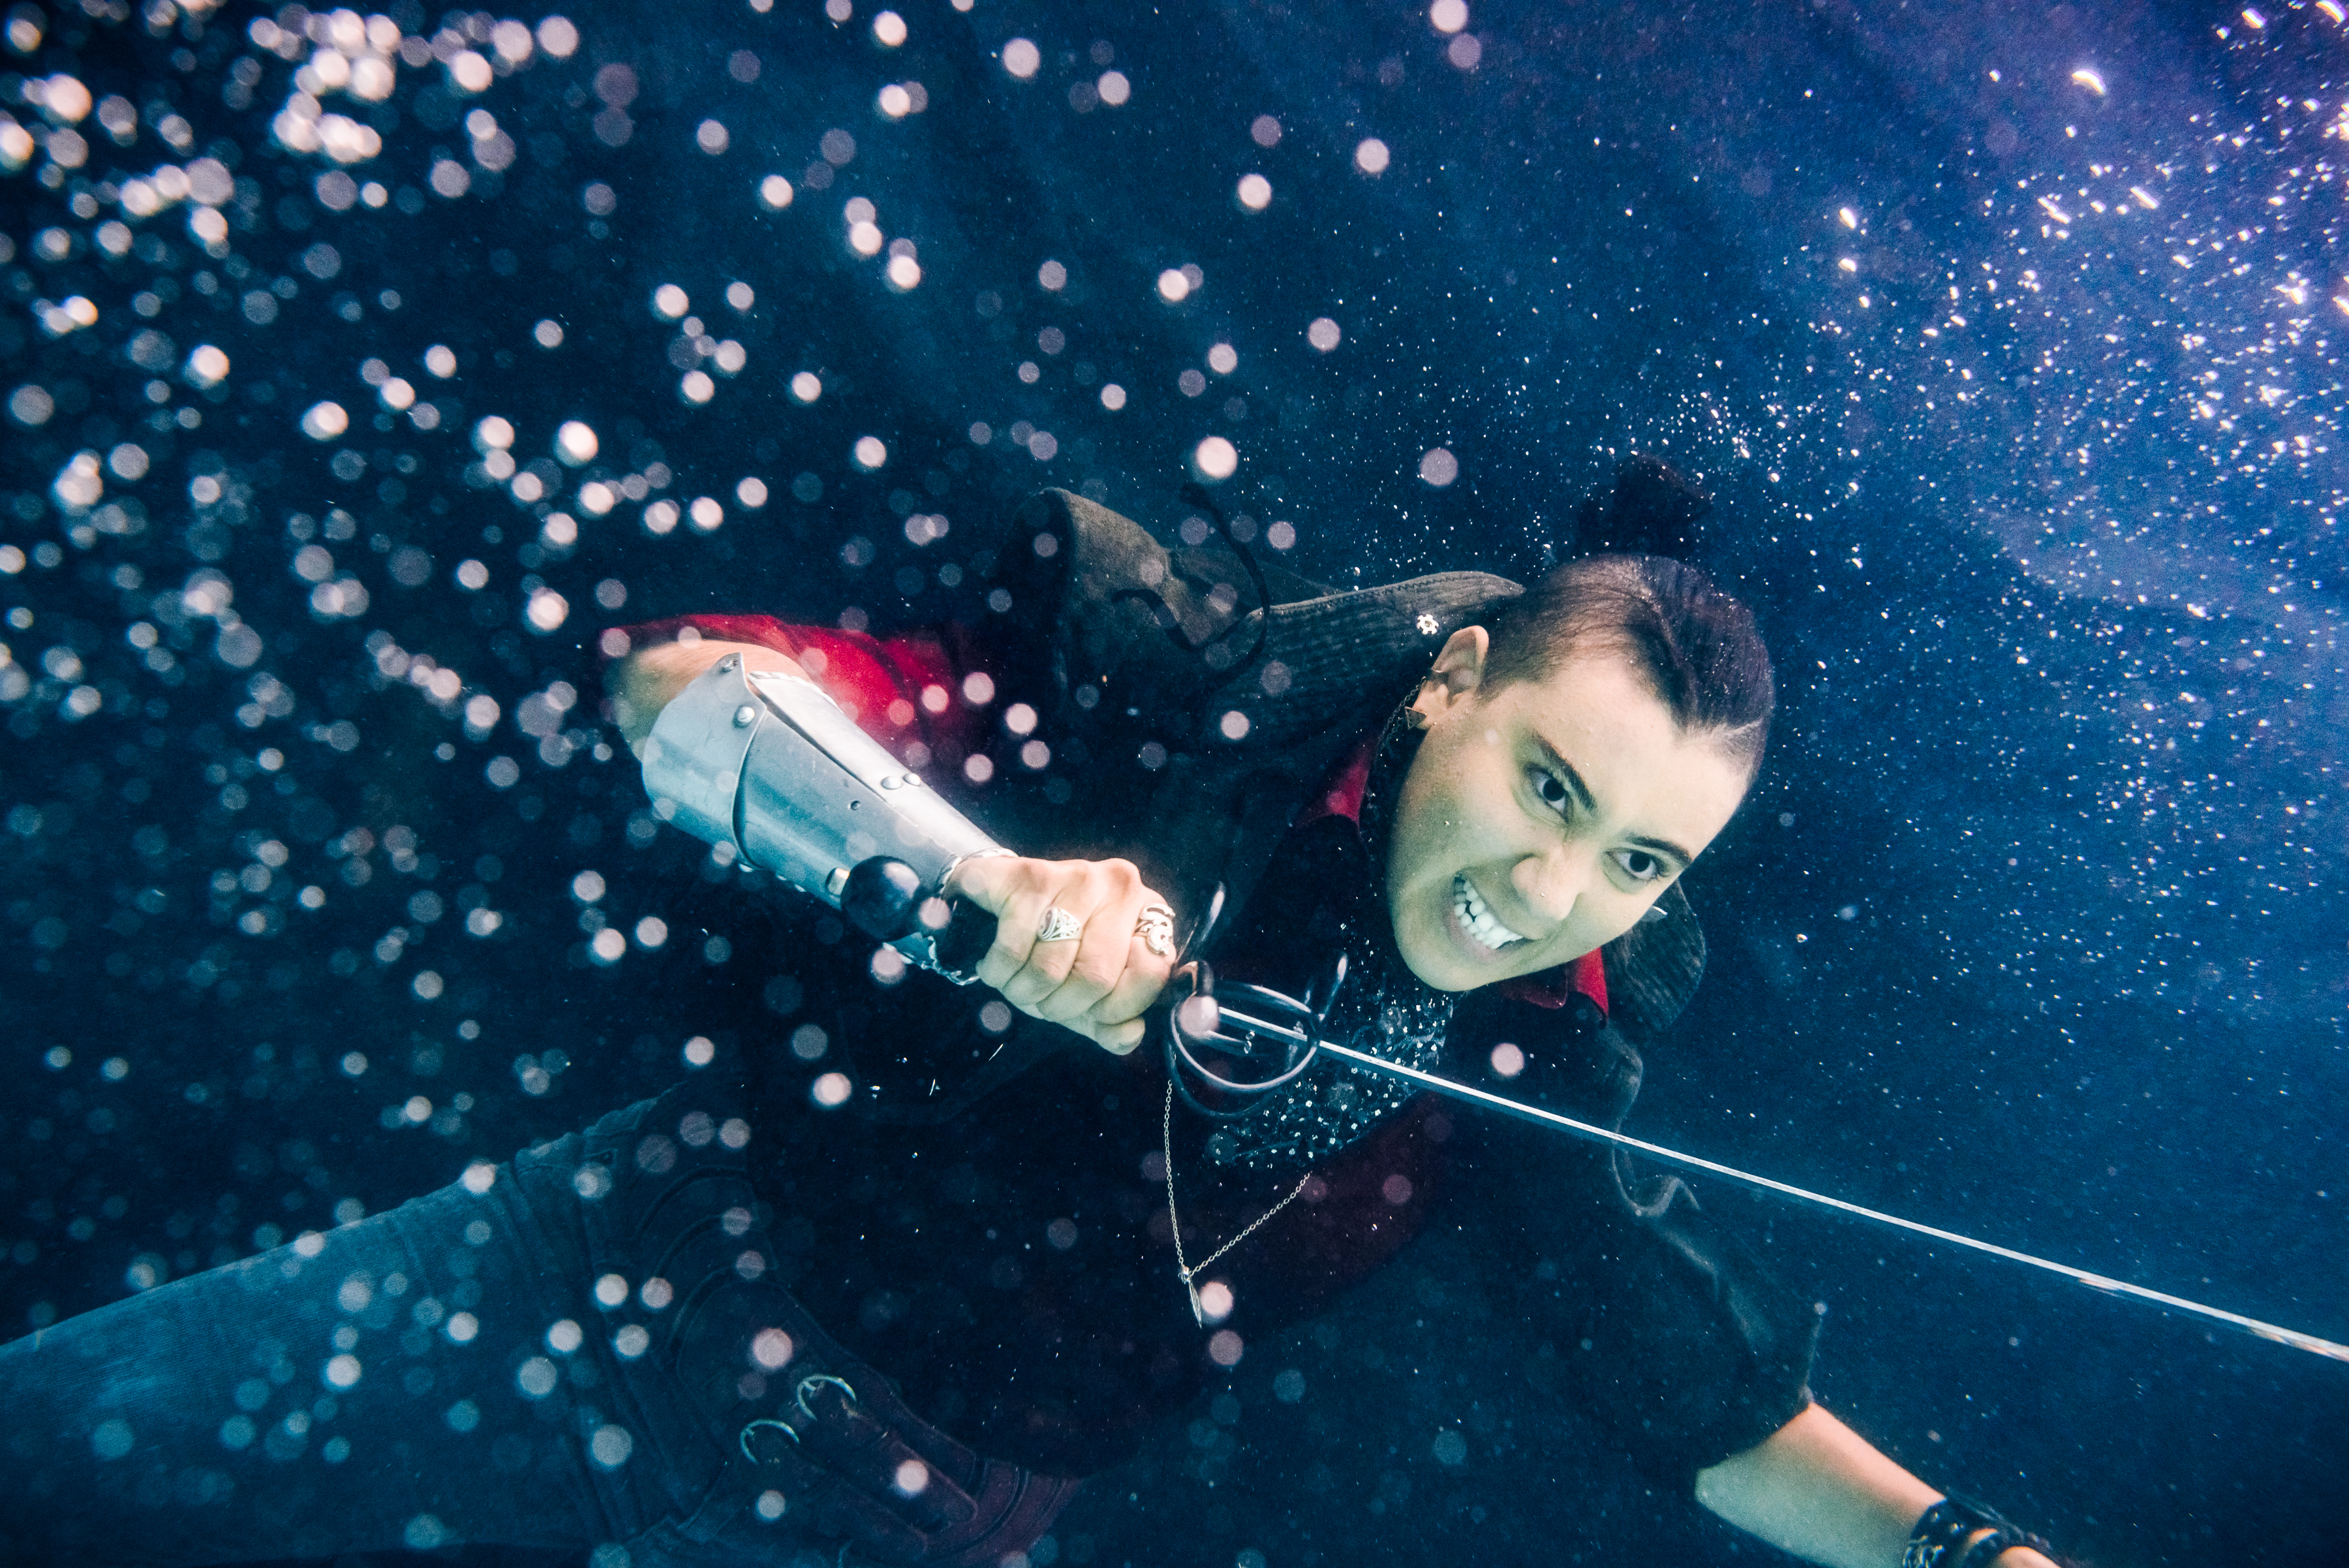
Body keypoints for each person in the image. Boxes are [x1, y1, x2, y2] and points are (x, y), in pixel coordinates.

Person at [0, 478, 2062, 1568]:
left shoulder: (1546, 1062)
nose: (1551, 892)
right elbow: (678, 688)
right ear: (1448, 689)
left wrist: (1968, 1550)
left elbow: (1698, 1399)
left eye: (1636, 861)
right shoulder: (1168, 686)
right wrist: (973, 882)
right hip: (613, 1267)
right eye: (1549, 786)